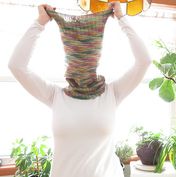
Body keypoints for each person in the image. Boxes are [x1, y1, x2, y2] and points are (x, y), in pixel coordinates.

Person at [8, 2, 151, 177]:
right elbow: (16, 66)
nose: (82, 62)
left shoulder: (112, 93)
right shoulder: (55, 96)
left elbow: (144, 61)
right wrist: (40, 22)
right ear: (68, 58)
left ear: (96, 58)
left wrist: (122, 18)